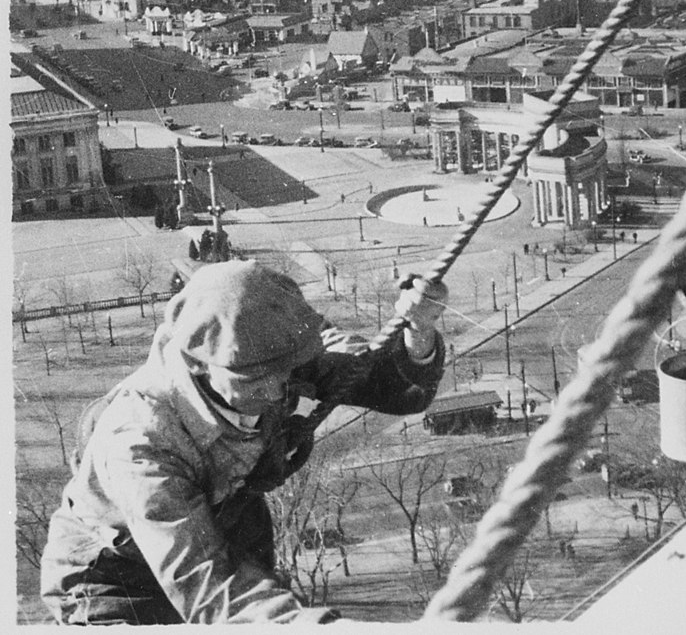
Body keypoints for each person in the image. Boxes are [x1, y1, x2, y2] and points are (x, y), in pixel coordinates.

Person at [41, 260, 448, 624]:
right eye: (253, 380)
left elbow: (383, 382)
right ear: (198, 365)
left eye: (285, 371)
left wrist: (419, 332)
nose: (277, 391)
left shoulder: (266, 351)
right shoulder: (141, 444)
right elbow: (208, 588)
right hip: (117, 583)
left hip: (228, 530)